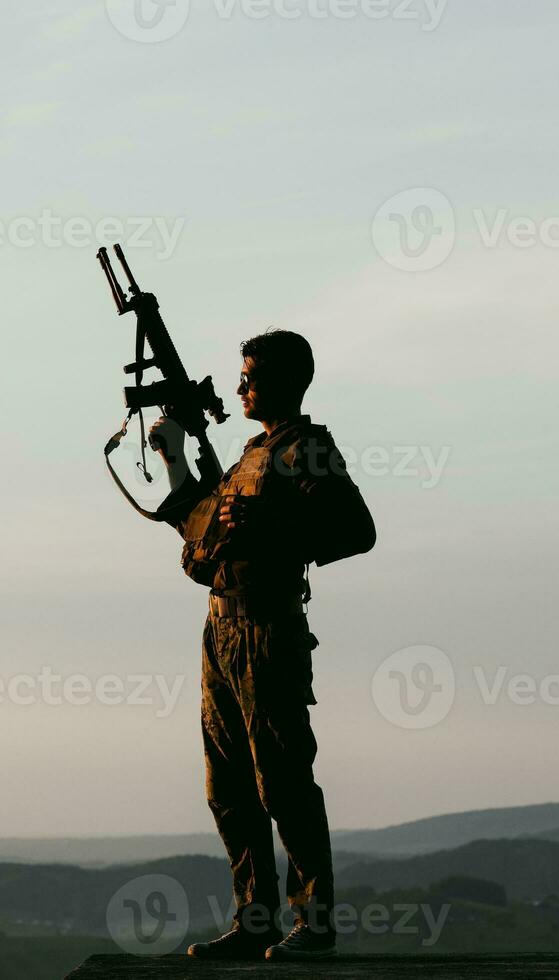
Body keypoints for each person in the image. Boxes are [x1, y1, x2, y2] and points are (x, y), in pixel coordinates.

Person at [147, 329, 375, 961]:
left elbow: (356, 531)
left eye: (249, 374)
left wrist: (274, 528)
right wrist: (173, 464)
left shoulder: (307, 448)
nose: (240, 385)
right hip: (220, 628)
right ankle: (255, 919)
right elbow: (204, 535)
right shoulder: (251, 454)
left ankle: (313, 922)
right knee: (227, 784)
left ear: (282, 380)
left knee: (281, 779)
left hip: (266, 628)